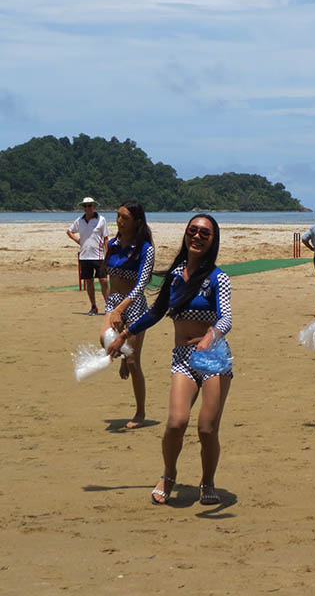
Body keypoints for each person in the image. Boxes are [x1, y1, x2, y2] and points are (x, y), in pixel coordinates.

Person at [107, 214, 232, 505]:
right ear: (186, 234)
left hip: (213, 357)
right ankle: (169, 473)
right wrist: (124, 335)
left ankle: (208, 481)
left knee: (206, 428)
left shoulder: (218, 277)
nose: (198, 236)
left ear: (213, 240)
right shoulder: (175, 276)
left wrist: (211, 335)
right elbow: (155, 312)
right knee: (176, 423)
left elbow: (226, 316)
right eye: (193, 230)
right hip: (183, 358)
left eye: (205, 233)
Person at [101, 201, 155, 429]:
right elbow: (107, 277)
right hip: (114, 302)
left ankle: (140, 412)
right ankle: (122, 355)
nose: (119, 221)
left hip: (134, 305)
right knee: (106, 343)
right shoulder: (112, 244)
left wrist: (121, 309)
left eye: (125, 218)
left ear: (137, 222)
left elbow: (141, 284)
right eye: (118, 216)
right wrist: (111, 306)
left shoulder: (145, 249)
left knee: (133, 362)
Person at [66, 196, 109, 314]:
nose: (87, 208)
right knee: (89, 282)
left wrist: (108, 254)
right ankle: (93, 306)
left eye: (89, 206)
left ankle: (109, 307)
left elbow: (106, 238)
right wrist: (78, 241)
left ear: (94, 207)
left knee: (103, 281)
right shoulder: (79, 221)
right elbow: (69, 231)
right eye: (85, 206)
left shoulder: (101, 220)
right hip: (85, 256)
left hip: (99, 256)